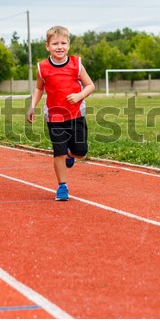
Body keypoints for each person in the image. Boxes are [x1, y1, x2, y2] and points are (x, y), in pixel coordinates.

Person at [26, 26, 95, 201]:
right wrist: (32, 106)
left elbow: (90, 85)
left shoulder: (76, 64)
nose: (59, 46)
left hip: (76, 115)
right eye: (55, 43)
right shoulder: (42, 68)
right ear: (47, 46)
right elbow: (39, 88)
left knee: (81, 151)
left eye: (63, 43)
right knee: (59, 152)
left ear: (68, 45)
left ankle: (71, 156)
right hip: (55, 117)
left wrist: (79, 95)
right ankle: (62, 186)